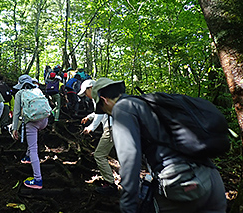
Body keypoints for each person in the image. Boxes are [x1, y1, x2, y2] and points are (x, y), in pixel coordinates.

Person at [91, 78, 227, 213]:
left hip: (183, 183)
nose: (107, 113)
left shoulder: (122, 109)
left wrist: (128, 204)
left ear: (104, 100)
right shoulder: (149, 104)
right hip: (212, 180)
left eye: (103, 109)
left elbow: (130, 158)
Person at [79, 79, 118, 195]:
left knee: (99, 155)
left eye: (85, 92)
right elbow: (100, 112)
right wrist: (89, 117)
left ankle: (111, 185)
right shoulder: (105, 94)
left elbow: (100, 114)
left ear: (90, 88)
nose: (86, 96)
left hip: (112, 128)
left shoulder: (99, 95)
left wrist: (91, 127)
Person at [11, 74, 49, 189]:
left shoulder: (19, 94)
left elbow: (16, 113)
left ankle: (37, 179)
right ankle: (27, 157)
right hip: (44, 120)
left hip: (32, 122)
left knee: (33, 149)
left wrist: (14, 128)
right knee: (32, 143)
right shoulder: (37, 90)